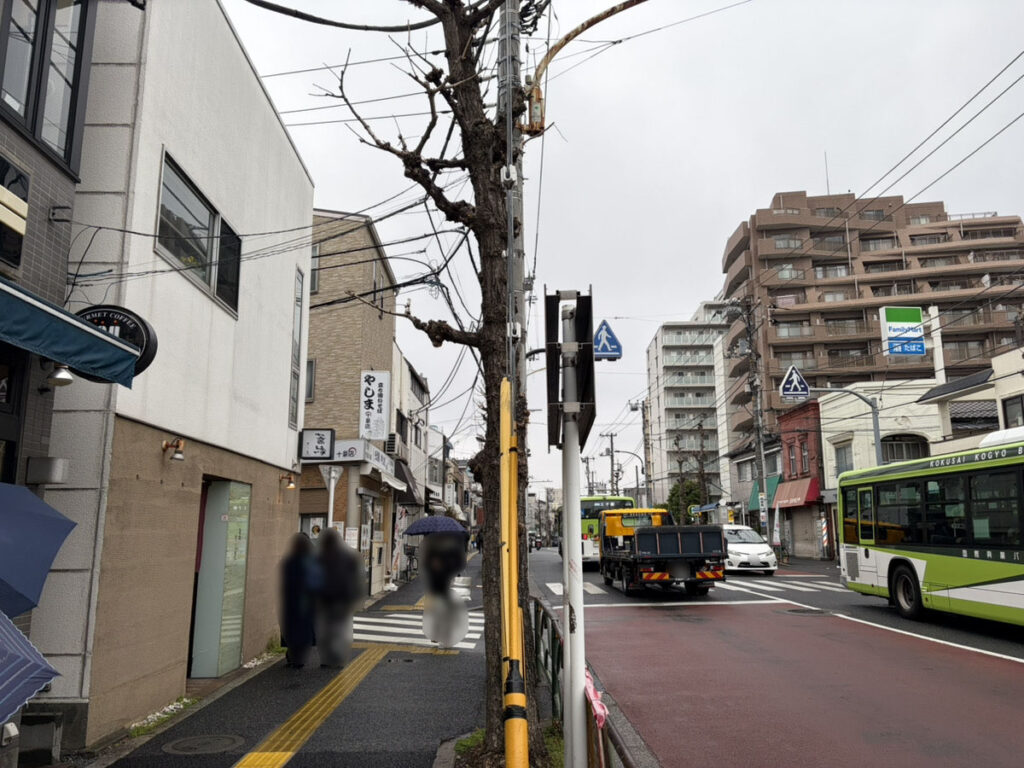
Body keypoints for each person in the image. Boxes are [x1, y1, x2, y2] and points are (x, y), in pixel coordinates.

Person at [316, 528, 363, 668]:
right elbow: (356, 578)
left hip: (325, 599)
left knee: (325, 630)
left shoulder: (319, 557)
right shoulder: (350, 556)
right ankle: (340, 657)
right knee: (341, 630)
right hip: (344, 599)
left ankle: (326, 659)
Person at [280, 533, 318, 668]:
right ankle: (297, 657)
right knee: (302, 629)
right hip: (305, 601)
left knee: (292, 629)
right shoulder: (312, 560)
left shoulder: (290, 560)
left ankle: (294, 656)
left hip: (293, 601)